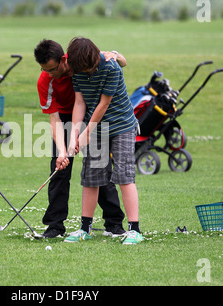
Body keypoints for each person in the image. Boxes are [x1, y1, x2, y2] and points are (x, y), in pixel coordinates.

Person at [34, 39, 127, 239]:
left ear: (63, 60)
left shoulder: (81, 60)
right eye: (44, 69)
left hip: (94, 115)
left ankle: (114, 223)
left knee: (99, 169)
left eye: (52, 69)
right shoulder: (45, 81)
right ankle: (55, 227)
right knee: (59, 170)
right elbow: (54, 119)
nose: (48, 74)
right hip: (66, 120)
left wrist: (116, 54)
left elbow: (120, 62)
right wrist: (62, 150)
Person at [65, 37, 143, 245]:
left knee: (124, 175)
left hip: (122, 126)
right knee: (92, 177)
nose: (88, 72)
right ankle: (85, 228)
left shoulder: (111, 67)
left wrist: (85, 134)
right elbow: (80, 102)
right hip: (97, 129)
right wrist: (74, 135)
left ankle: (134, 230)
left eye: (90, 68)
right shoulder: (77, 70)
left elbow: (103, 104)